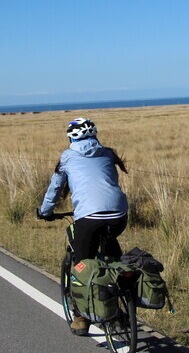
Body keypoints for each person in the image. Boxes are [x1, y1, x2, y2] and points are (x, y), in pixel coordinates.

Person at [37, 117, 128, 336]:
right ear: (95, 135)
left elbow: (55, 188)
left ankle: (80, 317)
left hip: (89, 217)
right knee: (111, 252)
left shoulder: (67, 157)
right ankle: (121, 294)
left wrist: (45, 212)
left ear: (71, 138)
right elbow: (109, 182)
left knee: (80, 265)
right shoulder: (108, 153)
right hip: (119, 215)